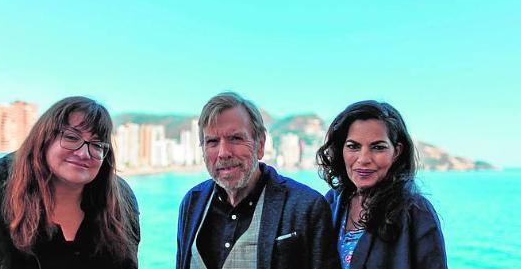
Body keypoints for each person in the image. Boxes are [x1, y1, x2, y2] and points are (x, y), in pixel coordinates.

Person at [0, 96, 140, 269]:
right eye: (71, 137)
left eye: (97, 145)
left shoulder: (120, 211)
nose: (83, 152)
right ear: (43, 140)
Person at [176, 92, 339, 269]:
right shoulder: (192, 202)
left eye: (235, 138)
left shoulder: (307, 206)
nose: (223, 152)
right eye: (212, 142)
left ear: (260, 144)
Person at [317, 100, 447, 269]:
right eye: (353, 146)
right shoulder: (332, 203)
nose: (364, 159)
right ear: (341, 149)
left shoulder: (416, 212)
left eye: (378, 147)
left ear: (396, 152)